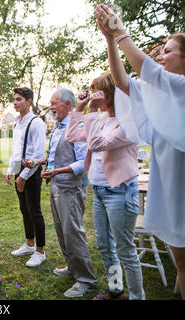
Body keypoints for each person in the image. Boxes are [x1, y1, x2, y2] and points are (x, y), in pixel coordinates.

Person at [95, 4, 185, 299]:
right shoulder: (160, 94)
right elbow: (123, 82)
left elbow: (150, 71)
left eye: (168, 50)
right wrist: (110, 40)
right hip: (169, 189)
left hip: (140, 190)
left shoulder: (180, 88)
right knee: (182, 262)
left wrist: (121, 31)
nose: (161, 55)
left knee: (127, 248)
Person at [65, 72, 145, 300]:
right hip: (99, 190)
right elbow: (72, 136)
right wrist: (79, 109)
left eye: (96, 91)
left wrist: (90, 112)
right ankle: (116, 290)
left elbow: (97, 144)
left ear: (110, 93)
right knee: (105, 246)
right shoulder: (100, 119)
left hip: (119, 191)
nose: (92, 96)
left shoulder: (128, 122)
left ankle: (138, 297)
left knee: (125, 250)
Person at [27, 88, 97, 297]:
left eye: (55, 103)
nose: (51, 107)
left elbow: (82, 164)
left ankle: (86, 279)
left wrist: (57, 171)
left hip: (71, 188)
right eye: (51, 103)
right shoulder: (57, 127)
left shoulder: (79, 126)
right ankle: (72, 266)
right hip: (56, 185)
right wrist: (43, 162)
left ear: (69, 104)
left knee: (72, 232)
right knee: (61, 230)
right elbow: (59, 156)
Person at [5, 87, 47, 268]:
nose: (15, 102)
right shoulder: (16, 122)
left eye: (19, 99)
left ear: (29, 101)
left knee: (35, 211)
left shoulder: (36, 123)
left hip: (32, 170)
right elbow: (16, 150)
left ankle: (40, 251)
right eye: (14, 99)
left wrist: (23, 176)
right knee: (24, 209)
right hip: (19, 168)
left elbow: (37, 154)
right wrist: (11, 169)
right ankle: (29, 244)